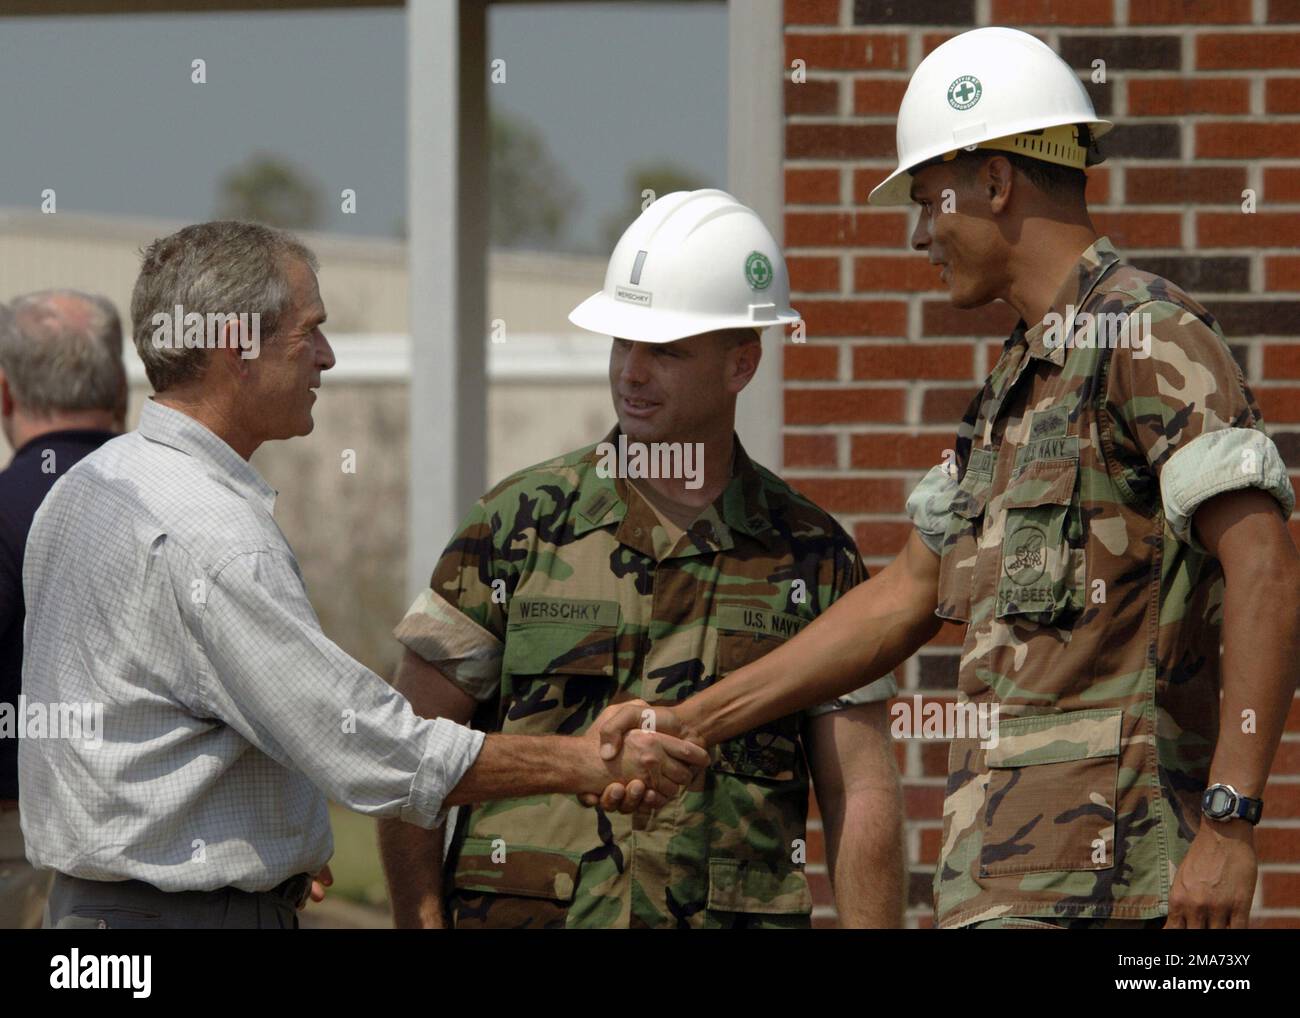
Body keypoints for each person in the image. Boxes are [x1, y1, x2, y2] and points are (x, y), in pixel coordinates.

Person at [592, 27, 1300, 931]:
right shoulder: (1014, 386)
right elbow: (902, 599)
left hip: (1126, 890)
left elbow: (1267, 567)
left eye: (930, 201)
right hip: (1004, 884)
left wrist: (1233, 822)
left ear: (996, 182)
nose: (921, 234)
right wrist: (688, 721)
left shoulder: (1147, 336)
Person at [18, 221, 707, 930]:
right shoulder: (213, 536)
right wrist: (584, 762)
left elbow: (144, 723)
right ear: (238, 348)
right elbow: (368, 748)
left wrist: (276, 834)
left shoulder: (85, 490)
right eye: (308, 330)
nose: (328, 356)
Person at [380, 189, 903, 928]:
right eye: (622, 342)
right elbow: (412, 758)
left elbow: (862, 795)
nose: (631, 371)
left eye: (665, 350)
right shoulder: (514, 527)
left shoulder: (815, 557)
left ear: (741, 365)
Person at [0, 291, 126, 929]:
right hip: (160, 858)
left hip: (16, 847)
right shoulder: (192, 508)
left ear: (5, 394)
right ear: (122, 391)